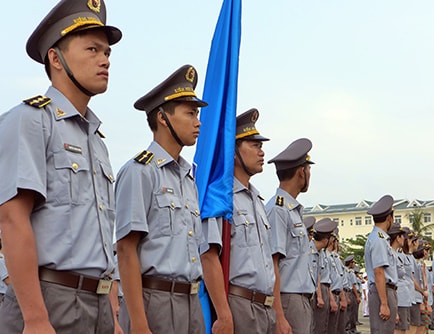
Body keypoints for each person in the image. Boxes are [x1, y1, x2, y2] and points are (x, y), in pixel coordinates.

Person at [0, 1, 122, 333]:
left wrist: (112, 314)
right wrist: (36, 319)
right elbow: (13, 219)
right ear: (56, 58)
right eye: (93, 49)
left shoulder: (97, 141)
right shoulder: (30, 120)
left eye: (107, 52)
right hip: (50, 300)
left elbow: (99, 238)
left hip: (98, 303)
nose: (105, 60)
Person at [115, 65, 207, 333]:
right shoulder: (140, 171)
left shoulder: (189, 179)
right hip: (155, 301)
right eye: (190, 113)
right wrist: (140, 324)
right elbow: (126, 250)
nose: (198, 121)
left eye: (197, 113)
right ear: (163, 117)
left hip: (191, 301)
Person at [200, 108, 276, 334]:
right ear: (233, 151)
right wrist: (223, 314)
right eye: (254, 145)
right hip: (240, 304)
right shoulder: (220, 198)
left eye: (261, 146)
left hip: (266, 307)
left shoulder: (257, 201)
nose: (261, 152)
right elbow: (209, 255)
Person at [266, 138, 315, 334]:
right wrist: (279, 314)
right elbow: (273, 263)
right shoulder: (278, 209)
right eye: (308, 169)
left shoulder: (291, 209)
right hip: (288, 300)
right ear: (301, 172)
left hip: (300, 299)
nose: (309, 174)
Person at [364, 194, 398, 334]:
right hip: (382, 292)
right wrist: (384, 303)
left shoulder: (380, 238)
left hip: (385, 291)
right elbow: (379, 272)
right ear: (389, 218)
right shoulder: (379, 240)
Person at [311, 218, 336, 334]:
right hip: (318, 290)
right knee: (318, 325)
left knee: (324, 324)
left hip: (324, 288)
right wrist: (320, 296)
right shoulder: (311, 251)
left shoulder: (320, 252)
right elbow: (317, 276)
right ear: (326, 239)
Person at [387, 223, 410, 334]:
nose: (404, 239)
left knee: (403, 328)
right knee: (398, 328)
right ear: (397, 238)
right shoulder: (390, 254)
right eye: (402, 236)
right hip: (397, 296)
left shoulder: (396, 254)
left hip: (400, 295)